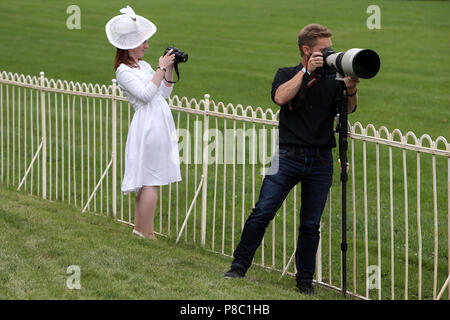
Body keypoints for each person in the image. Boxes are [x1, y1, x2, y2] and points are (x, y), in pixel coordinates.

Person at [224, 24, 359, 295]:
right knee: (263, 212)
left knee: (311, 224)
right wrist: (307, 71)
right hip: (287, 155)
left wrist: (351, 88)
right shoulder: (286, 74)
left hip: (321, 160)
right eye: (323, 49)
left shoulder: (334, 79)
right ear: (306, 50)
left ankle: (304, 282)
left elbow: (347, 110)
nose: (329, 53)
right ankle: (239, 266)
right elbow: (280, 97)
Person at [105, 6, 181, 240]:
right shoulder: (123, 71)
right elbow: (146, 94)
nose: (147, 46)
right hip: (148, 123)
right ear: (130, 44)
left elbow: (163, 93)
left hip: (157, 120)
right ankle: (146, 233)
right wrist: (159, 68)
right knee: (151, 179)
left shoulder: (144, 66)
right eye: (143, 42)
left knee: (150, 178)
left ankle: (141, 230)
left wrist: (167, 70)